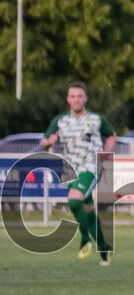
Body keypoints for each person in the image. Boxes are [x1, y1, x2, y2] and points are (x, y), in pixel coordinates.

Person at [38, 82, 116, 266]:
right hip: (70, 169)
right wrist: (49, 142)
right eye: (72, 96)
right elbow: (44, 141)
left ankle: (85, 239)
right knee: (87, 210)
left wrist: (106, 152)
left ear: (85, 98)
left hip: (91, 166)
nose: (76, 100)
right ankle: (104, 249)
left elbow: (112, 135)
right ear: (68, 99)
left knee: (74, 200)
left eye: (79, 96)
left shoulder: (96, 119)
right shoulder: (60, 120)